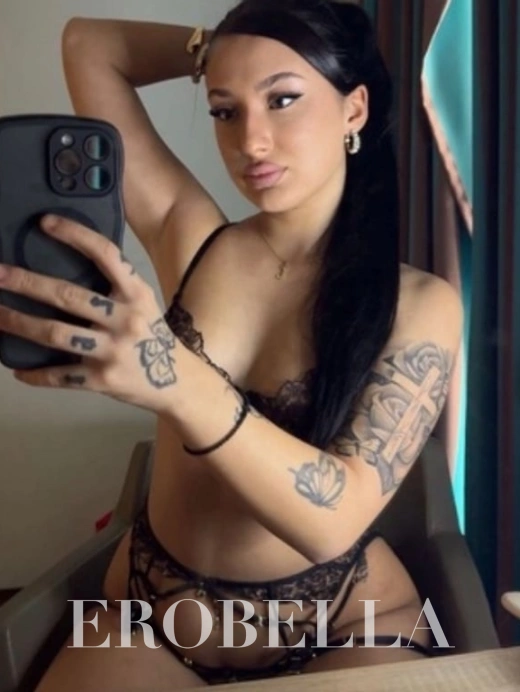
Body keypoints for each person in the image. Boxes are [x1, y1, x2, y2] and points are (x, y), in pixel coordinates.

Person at [0, 0, 461, 689]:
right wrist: (219, 48)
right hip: (153, 610)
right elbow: (88, 43)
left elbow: (333, 523)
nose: (252, 140)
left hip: (343, 624)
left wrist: (172, 379)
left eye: (282, 99)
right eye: (225, 109)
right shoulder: (192, 238)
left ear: (354, 109)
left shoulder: (420, 304)